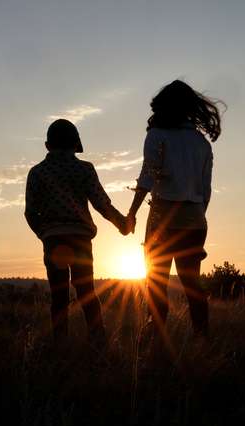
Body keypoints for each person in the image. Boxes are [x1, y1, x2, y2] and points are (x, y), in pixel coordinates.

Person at [126, 79, 223, 354]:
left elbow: (147, 178)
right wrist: (194, 215)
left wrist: (132, 213)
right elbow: (205, 191)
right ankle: (202, 340)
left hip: (163, 217)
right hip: (195, 219)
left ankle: (156, 339)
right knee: (192, 282)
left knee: (156, 282)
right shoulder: (201, 143)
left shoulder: (157, 136)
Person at [25, 118, 131, 349]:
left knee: (59, 295)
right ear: (75, 145)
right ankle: (98, 342)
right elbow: (101, 204)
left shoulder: (37, 173)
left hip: (53, 239)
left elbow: (31, 213)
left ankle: (60, 346)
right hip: (80, 238)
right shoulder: (84, 169)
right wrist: (122, 223)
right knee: (86, 292)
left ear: (47, 145)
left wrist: (45, 233)